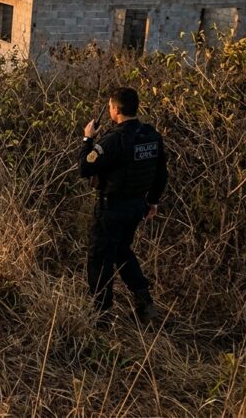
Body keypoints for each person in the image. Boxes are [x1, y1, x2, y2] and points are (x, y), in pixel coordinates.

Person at [79, 87, 168, 325]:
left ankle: (102, 316)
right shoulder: (151, 136)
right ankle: (144, 302)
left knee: (100, 258)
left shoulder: (114, 140)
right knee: (122, 252)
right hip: (137, 206)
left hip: (111, 208)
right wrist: (152, 201)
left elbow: (85, 168)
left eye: (110, 107)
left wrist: (88, 139)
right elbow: (161, 173)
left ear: (116, 110)